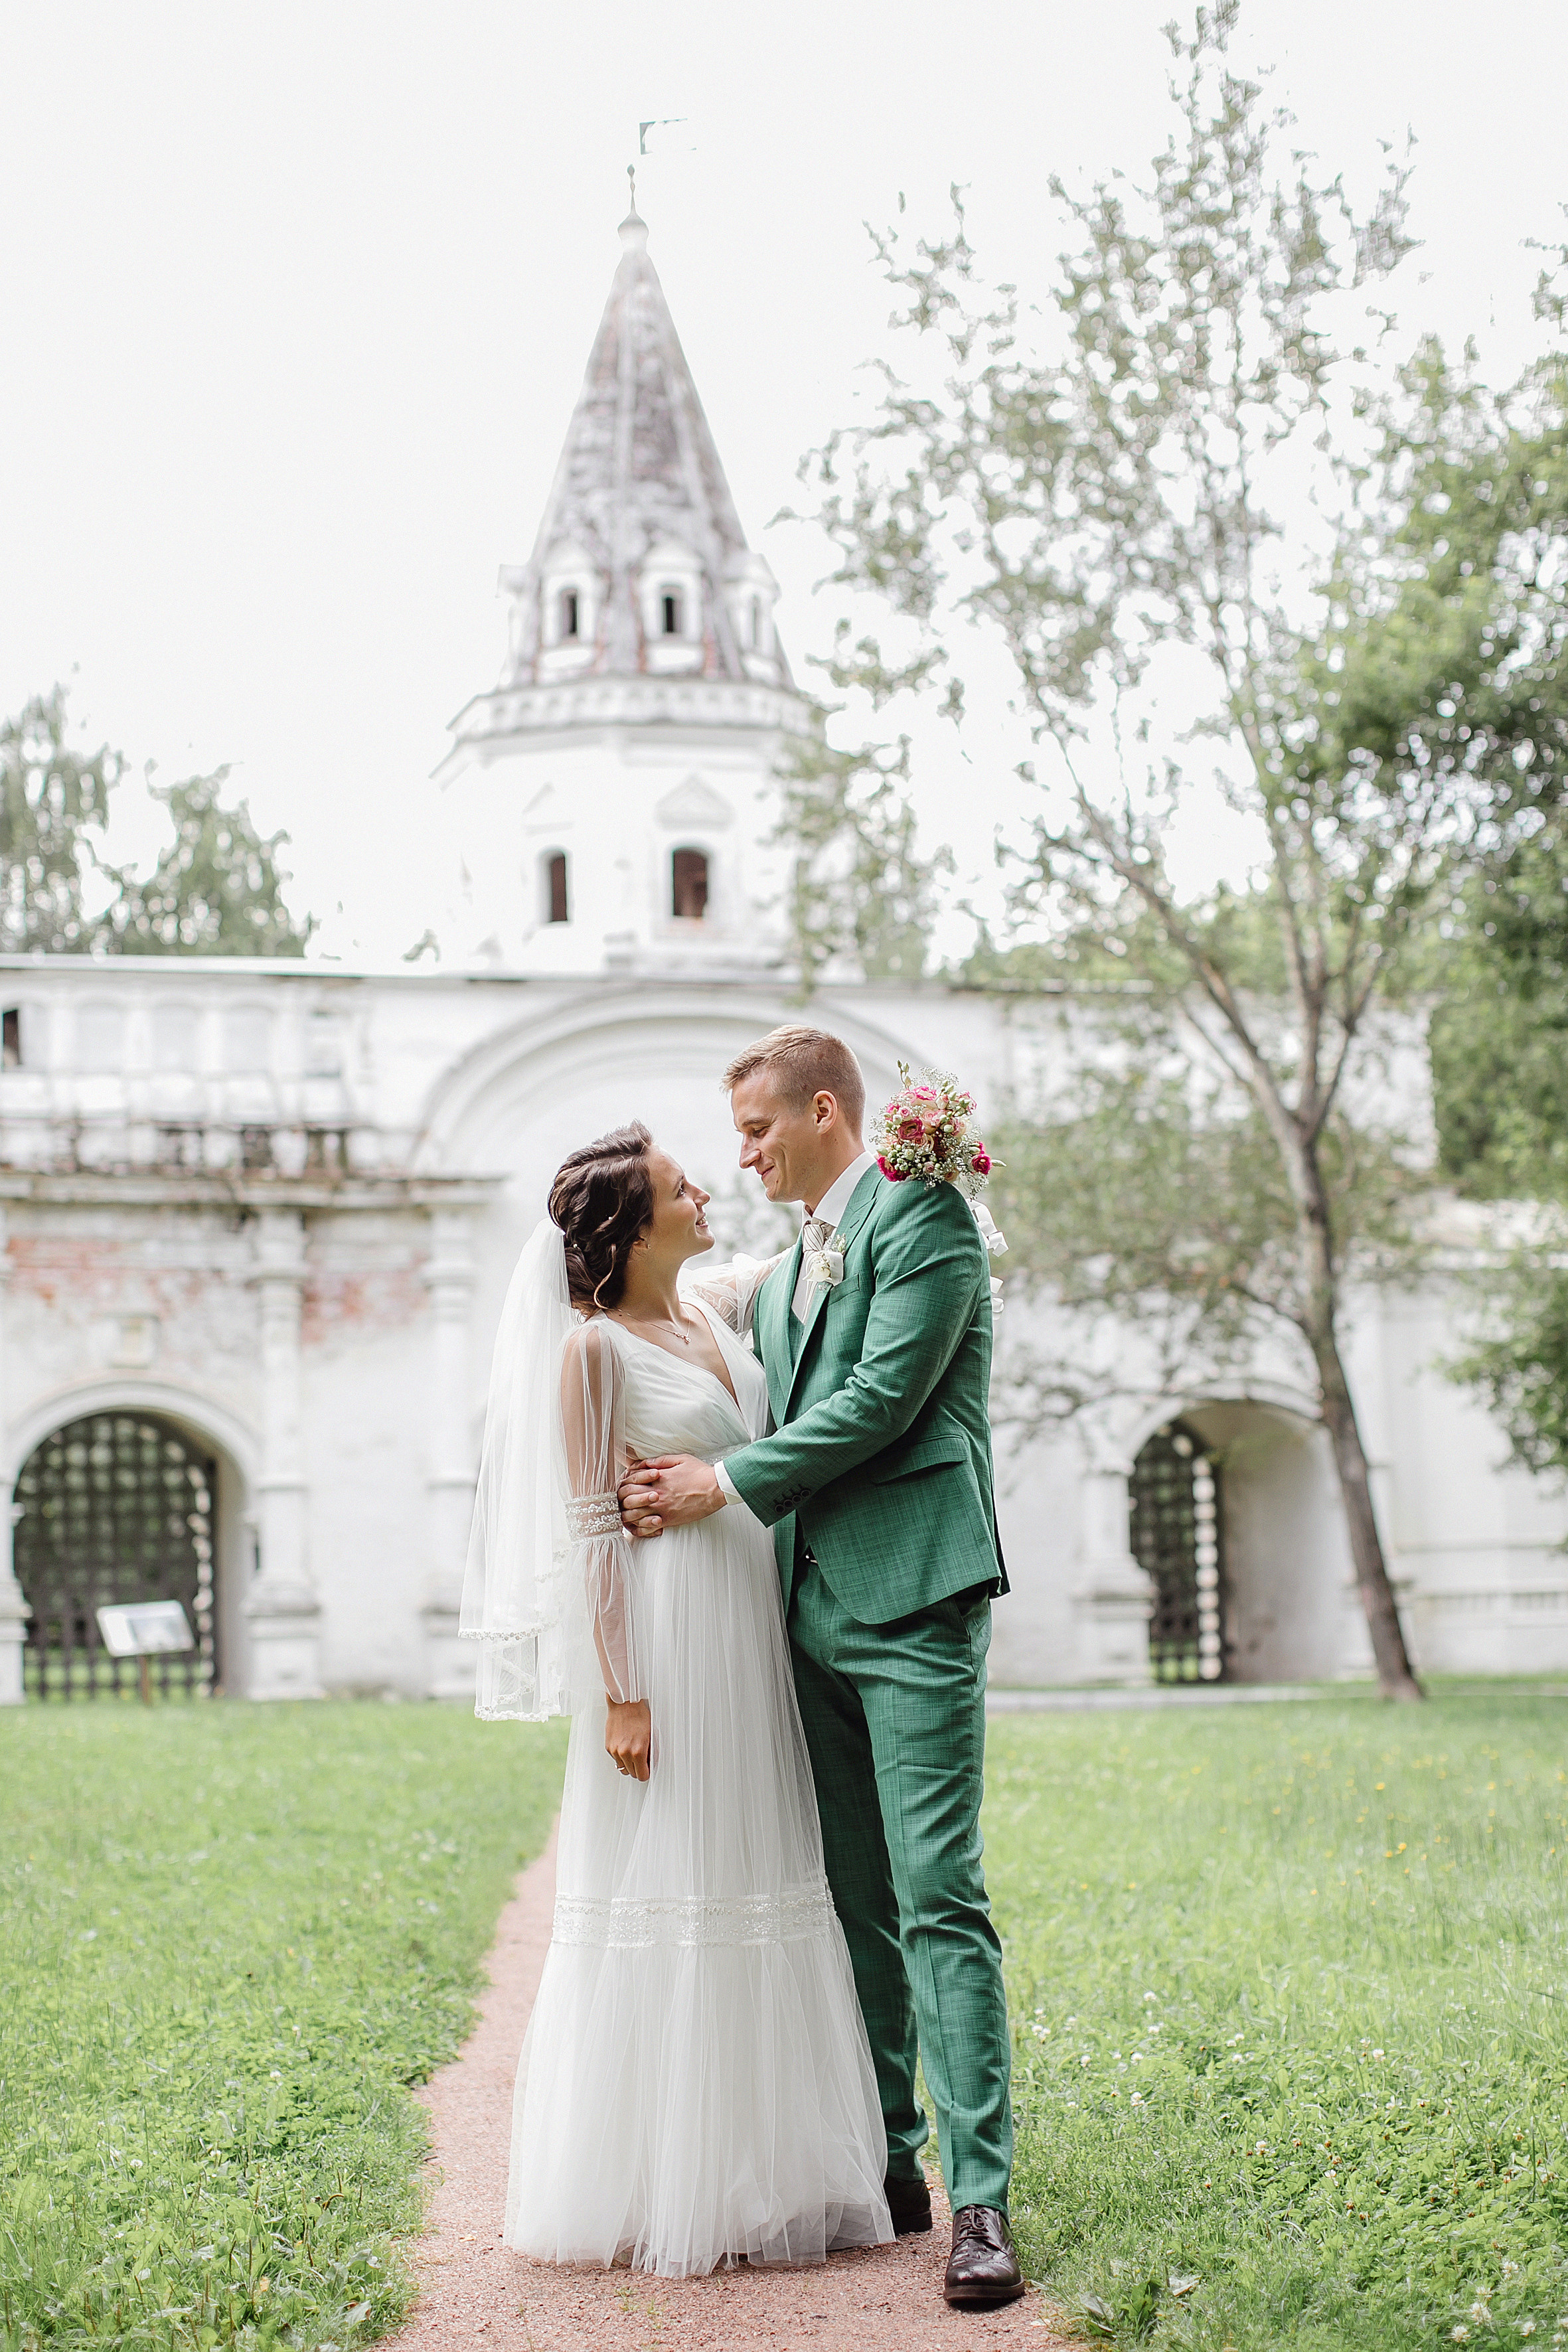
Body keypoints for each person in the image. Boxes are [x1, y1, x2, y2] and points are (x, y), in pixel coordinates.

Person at [618, 1026, 1023, 2310]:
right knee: (851, 1897)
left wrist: (720, 1485)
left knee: (937, 1893)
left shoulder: (925, 1220)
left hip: (913, 1596)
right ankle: (889, 2163)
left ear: (825, 1113)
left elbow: (884, 1400)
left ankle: (979, 2203)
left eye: (757, 1129)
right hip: (801, 1610)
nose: (742, 1155)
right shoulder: (799, 1256)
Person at [461, 1121, 891, 2279]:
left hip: (750, 1617)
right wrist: (623, 1694)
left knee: (761, 1867)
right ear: (632, 1228)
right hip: (668, 1634)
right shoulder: (591, 1354)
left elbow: (814, 1249)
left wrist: (904, 1165)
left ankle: (767, 2169)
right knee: (681, 1877)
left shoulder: (711, 1307)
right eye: (679, 1186)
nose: (706, 1191)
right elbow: (593, 1531)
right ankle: (661, 2178)